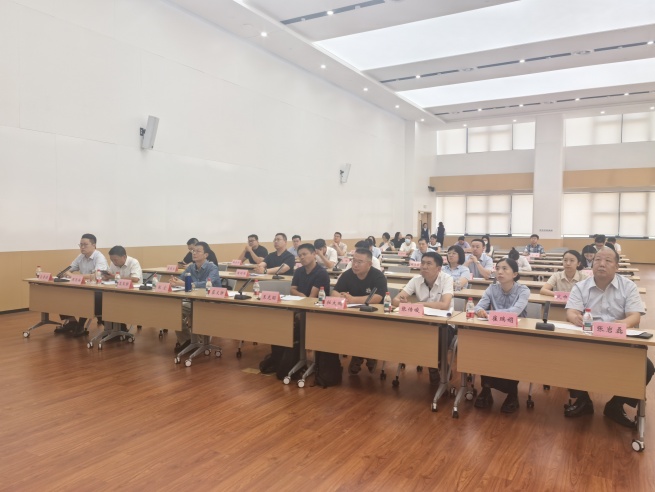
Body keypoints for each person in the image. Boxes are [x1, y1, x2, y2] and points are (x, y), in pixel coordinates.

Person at [564, 247, 653, 427]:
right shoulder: (581, 287)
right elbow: (571, 312)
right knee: (566, 356)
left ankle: (616, 405)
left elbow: (634, 316)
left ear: (617, 266)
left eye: (608, 260)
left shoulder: (628, 286)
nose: (601, 264)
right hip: (589, 340)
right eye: (597, 260)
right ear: (592, 264)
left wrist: (622, 324)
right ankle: (583, 400)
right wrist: (575, 317)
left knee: (646, 368)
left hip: (617, 341)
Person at [473, 258, 530, 413]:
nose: (500, 271)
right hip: (494, 331)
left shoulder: (523, 290)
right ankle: (486, 390)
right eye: (498, 268)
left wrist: (489, 313)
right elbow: (478, 307)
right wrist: (480, 311)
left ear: (515, 274)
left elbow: (514, 312)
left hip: (516, 334)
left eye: (505, 268)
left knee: (511, 354)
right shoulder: (492, 288)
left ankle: (512, 394)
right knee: (485, 350)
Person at [392, 251, 453, 385]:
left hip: (444, 324)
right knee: (410, 333)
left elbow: (444, 305)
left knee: (438, 335)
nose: (424, 266)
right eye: (423, 263)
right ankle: (434, 364)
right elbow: (395, 300)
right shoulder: (416, 280)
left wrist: (421, 304)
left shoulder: (447, 279)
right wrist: (403, 303)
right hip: (422, 322)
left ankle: (436, 363)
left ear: (438, 268)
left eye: (429, 264)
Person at [331, 248, 387, 375]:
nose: (355, 265)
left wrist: (353, 299)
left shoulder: (378, 276)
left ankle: (368, 355)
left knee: (366, 328)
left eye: (359, 262)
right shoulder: (347, 274)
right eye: (353, 261)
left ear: (369, 264)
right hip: (352, 314)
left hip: (373, 316)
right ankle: (359, 355)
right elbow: (335, 292)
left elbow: (378, 298)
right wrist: (342, 298)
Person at [170, 242, 220, 350]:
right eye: (193, 251)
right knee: (174, 310)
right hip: (193, 300)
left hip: (210, 302)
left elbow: (207, 284)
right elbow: (181, 279)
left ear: (206, 255)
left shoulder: (213, 268)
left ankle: (199, 341)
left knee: (193, 310)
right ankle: (187, 341)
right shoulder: (191, 267)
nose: (194, 253)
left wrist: (186, 284)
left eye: (198, 251)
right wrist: (175, 281)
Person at [57, 233, 109, 336]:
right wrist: (64, 273)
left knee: (86, 297)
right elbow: (70, 269)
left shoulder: (99, 257)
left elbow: (97, 275)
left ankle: (80, 326)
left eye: (85, 244)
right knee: (61, 293)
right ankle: (72, 322)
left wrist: (72, 276)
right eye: (80, 244)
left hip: (99, 289)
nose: (82, 247)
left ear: (94, 245)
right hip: (84, 287)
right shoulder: (81, 256)